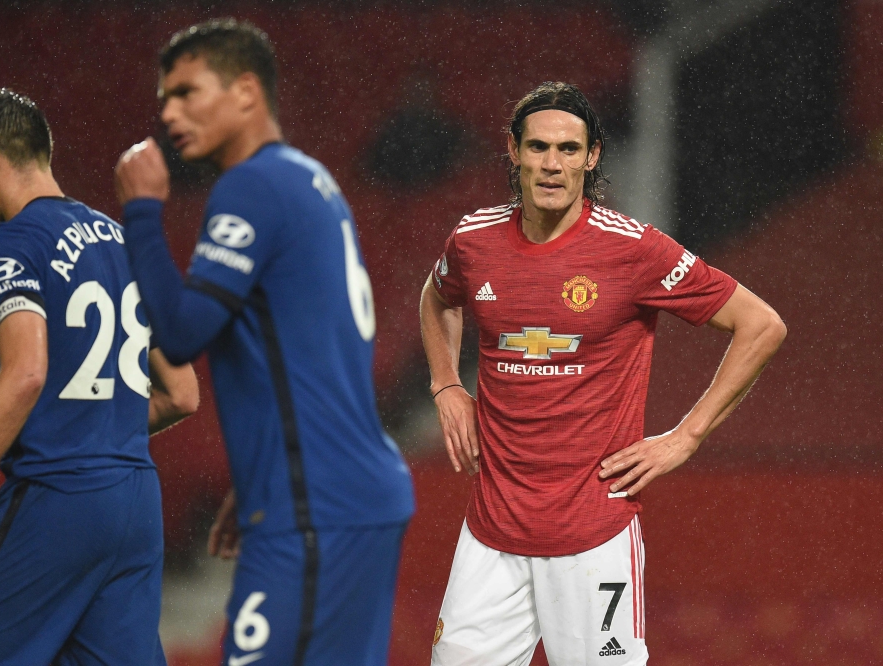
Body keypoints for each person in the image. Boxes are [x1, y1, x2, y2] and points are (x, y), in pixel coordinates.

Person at [420, 81, 787, 666]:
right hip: (491, 535)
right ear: (513, 151)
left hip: (593, 537)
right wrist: (446, 383)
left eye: (569, 149)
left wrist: (687, 435)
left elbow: (761, 324)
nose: (552, 164)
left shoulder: (633, 250)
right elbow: (438, 296)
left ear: (591, 157)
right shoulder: (474, 239)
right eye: (538, 147)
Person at [113, 18, 415, 666]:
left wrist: (141, 210)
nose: (168, 113)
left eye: (186, 92)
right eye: (164, 98)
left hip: (313, 510)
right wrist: (264, 473)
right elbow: (323, 352)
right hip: (352, 497)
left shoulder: (250, 186)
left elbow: (180, 333)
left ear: (246, 92)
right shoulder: (312, 182)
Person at [0, 89, 199, 666]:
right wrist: (102, 426)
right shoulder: (123, 242)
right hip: (135, 503)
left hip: (59, 498)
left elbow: (27, 371)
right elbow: (183, 393)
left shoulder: (12, 241)